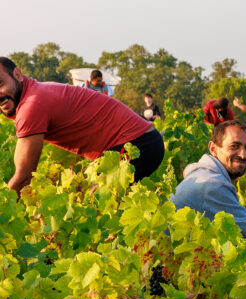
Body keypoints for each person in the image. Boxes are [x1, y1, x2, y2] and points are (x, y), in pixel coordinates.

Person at [0, 57, 164, 195]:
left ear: (18, 74)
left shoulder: (31, 106)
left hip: (137, 145)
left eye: (0, 84)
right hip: (140, 142)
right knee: (90, 199)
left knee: (84, 201)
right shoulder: (34, 92)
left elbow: (23, 177)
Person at [169, 120, 246, 246]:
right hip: (171, 262)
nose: (243, 155)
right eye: (234, 146)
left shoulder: (202, 174)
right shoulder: (213, 185)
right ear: (213, 149)